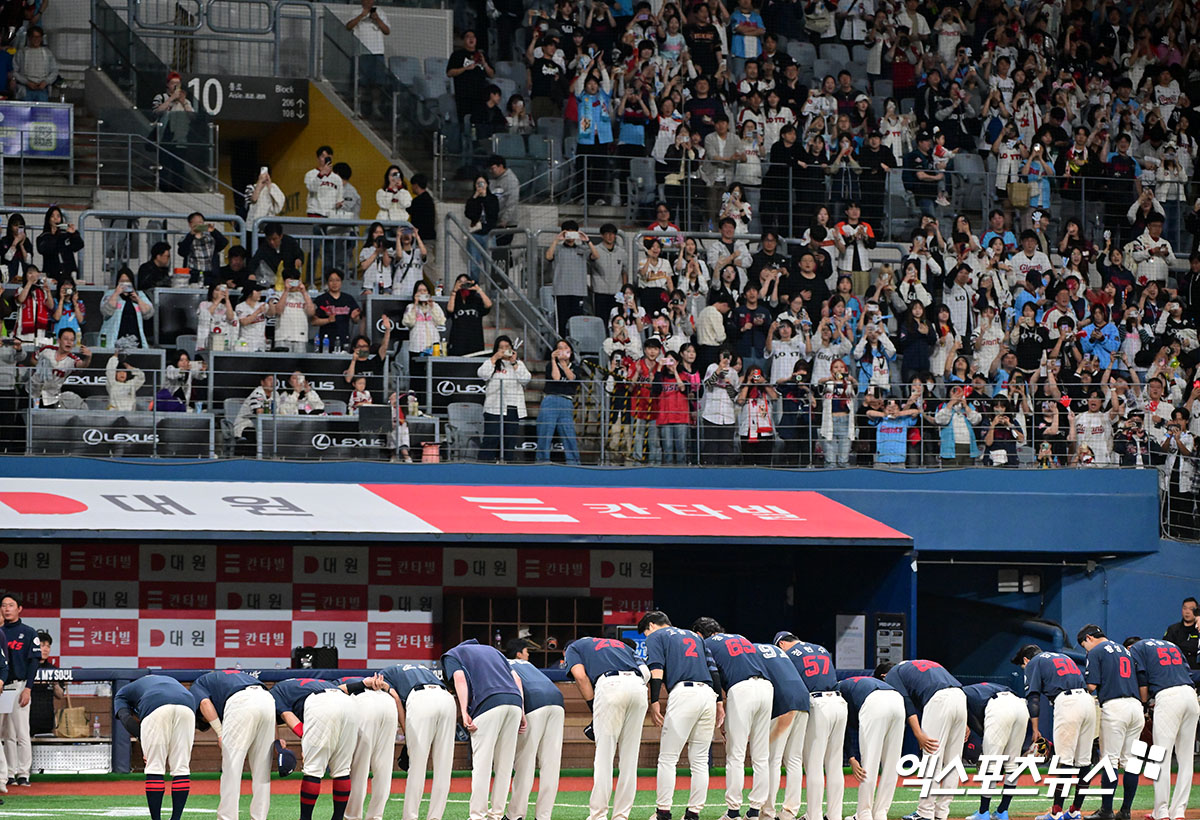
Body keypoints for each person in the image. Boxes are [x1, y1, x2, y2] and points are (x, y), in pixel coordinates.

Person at [638, 610, 720, 820]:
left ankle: (663, 812)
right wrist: (719, 701)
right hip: (708, 694)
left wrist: (654, 700)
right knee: (700, 760)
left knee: (667, 758)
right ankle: (693, 813)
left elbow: (656, 669)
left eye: (646, 633)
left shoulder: (657, 636)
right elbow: (714, 671)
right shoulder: (694, 636)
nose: (647, 637)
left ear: (652, 625)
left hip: (684, 693)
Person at [691, 617, 772, 820]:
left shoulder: (705, 643)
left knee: (736, 754)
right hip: (766, 687)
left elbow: (712, 675)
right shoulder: (742, 638)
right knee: (761, 755)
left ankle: (733, 811)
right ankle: (755, 811)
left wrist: (720, 705)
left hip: (742, 689)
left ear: (699, 633)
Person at [563, 636, 649, 820]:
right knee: (629, 758)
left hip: (610, 685)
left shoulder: (573, 647)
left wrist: (594, 710)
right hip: (638, 686)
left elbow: (580, 676)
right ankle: (621, 816)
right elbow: (645, 671)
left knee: (604, 756)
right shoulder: (620, 644)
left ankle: (598, 815)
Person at [270, 676, 378, 820]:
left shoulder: (274, 693)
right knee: (342, 769)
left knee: (313, 770)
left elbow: (289, 717)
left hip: (320, 704)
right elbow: (344, 689)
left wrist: (309, 741)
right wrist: (363, 684)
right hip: (349, 704)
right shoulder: (312, 683)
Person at [441, 639, 526, 820]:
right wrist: (522, 712)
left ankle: (477, 816)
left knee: (482, 765)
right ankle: (496, 815)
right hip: (514, 702)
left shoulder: (453, 654)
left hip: (487, 703)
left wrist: (463, 711)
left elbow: (459, 678)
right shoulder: (493, 651)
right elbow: (516, 679)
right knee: (504, 765)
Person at [1011, 644, 1094, 820]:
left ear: (1026, 659)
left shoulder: (1034, 662)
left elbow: (1033, 698)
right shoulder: (1063, 657)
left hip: (1068, 704)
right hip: (1088, 702)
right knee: (1084, 762)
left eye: (1023, 665)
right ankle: (1075, 811)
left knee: (1065, 762)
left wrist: (1034, 729)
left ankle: (1056, 813)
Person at [877, 659, 966, 820]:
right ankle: (942, 812)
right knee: (953, 760)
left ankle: (925, 812)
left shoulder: (892, 675)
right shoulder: (916, 665)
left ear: (884, 676)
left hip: (939, 700)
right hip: (960, 697)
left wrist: (918, 734)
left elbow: (907, 703)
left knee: (932, 758)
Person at [1123, 636, 1196, 820]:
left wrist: (1145, 705)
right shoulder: (1172, 645)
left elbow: (1142, 682)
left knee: (1160, 757)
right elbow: (1188, 673)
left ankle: (1161, 811)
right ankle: (1179, 811)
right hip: (1190, 696)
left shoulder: (1137, 649)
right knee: (1186, 759)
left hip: (1168, 696)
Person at [775, 633, 846, 820]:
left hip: (817, 704)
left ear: (782, 643)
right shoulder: (821, 649)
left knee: (813, 765)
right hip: (838, 702)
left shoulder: (788, 654)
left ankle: (813, 815)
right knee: (834, 764)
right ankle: (834, 815)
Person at [1077, 625, 1144, 820]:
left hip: (1115, 707)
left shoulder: (1096, 651)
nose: (1085, 650)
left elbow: (1091, 685)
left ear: (1089, 638)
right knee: (1130, 761)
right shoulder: (1125, 650)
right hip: (1135, 707)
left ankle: (1106, 810)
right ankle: (1126, 811)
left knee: (1109, 761)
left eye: (1084, 645)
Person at [190, 669, 277, 820]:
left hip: (240, 702)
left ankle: (227, 818)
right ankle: (260, 817)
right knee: (262, 769)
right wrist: (276, 738)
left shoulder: (199, 682)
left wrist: (219, 732)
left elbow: (204, 703)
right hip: (267, 699)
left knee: (232, 767)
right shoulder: (235, 676)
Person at [113, 675, 196, 820]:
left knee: (155, 766)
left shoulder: (122, 693)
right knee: (181, 767)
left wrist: (145, 740)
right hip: (188, 703)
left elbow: (126, 719)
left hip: (155, 704)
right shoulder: (168, 680)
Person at [380, 662, 455, 820]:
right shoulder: (422, 668)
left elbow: (395, 698)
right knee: (444, 766)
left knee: (417, 766)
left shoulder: (385, 673)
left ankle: (410, 817)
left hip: (421, 698)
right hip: (447, 698)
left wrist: (407, 731)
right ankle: (435, 817)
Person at [505, 639, 564, 820]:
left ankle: (515, 815)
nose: (528, 654)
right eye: (526, 650)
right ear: (518, 653)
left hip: (534, 704)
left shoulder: (502, 663)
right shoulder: (530, 666)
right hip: (557, 701)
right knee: (551, 764)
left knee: (525, 762)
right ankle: (544, 816)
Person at [836, 672, 905, 820]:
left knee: (870, 763)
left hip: (874, 702)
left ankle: (864, 814)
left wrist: (852, 758)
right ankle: (881, 813)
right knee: (892, 763)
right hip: (898, 700)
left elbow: (844, 728)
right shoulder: (855, 683)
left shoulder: (837, 691)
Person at [961, 682, 1030, 820]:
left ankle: (983, 812)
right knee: (1011, 764)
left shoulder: (959, 695)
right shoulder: (975, 689)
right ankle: (1002, 811)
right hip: (1021, 705)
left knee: (990, 764)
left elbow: (978, 726)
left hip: (999, 707)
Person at [339, 671, 397, 820]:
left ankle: (352, 816)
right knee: (383, 767)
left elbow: (338, 691)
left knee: (359, 768)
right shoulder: (379, 680)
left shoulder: (337, 682)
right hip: (388, 703)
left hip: (364, 704)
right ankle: (376, 816)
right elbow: (394, 695)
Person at [0, 595, 37, 788]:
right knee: (6, 734)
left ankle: (24, 773)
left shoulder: (29, 632)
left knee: (22, 732)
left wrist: (28, 688)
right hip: (1, 687)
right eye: (4, 606)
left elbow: (34, 662)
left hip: (20, 685)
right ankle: (10, 773)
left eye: (11, 605)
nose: (7, 609)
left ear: (19, 608)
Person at [477, 335, 530, 462]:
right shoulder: (491, 362)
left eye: (507, 347)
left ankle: (507, 465)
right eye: (501, 348)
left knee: (510, 440)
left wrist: (514, 362)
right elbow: (482, 374)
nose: (504, 350)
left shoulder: (518, 364)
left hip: (513, 407)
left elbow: (526, 379)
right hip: (493, 407)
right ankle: (484, 465)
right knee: (491, 438)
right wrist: (495, 358)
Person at [546, 221, 598, 336]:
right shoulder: (558, 248)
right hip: (561, 291)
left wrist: (587, 240)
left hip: (578, 291)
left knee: (577, 321)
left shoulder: (582, 249)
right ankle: (561, 344)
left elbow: (595, 255)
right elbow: (548, 256)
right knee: (562, 321)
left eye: (573, 232)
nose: (570, 236)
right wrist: (556, 240)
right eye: (567, 232)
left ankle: (575, 346)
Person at [538, 339, 580, 465]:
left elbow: (572, 378)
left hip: (566, 401)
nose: (562, 350)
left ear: (570, 351)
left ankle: (574, 463)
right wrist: (553, 360)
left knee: (569, 434)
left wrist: (564, 363)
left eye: (565, 347)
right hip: (550, 400)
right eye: (559, 348)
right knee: (545, 432)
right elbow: (556, 378)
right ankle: (542, 461)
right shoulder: (551, 365)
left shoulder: (576, 367)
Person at [29, 328, 90, 408]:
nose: (69, 342)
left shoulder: (72, 360)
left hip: (50, 398)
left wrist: (88, 357)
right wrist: (41, 367)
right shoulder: (47, 350)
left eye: (71, 340)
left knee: (46, 420)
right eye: (66, 339)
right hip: (31, 392)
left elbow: (83, 365)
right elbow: (33, 360)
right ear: (59, 340)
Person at [446, 30, 494, 125]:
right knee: (464, 122)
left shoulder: (482, 55)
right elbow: (449, 72)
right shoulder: (457, 55)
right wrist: (465, 68)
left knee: (479, 122)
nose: (471, 39)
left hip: (480, 95)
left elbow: (492, 74)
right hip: (464, 95)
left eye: (473, 37)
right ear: (464, 40)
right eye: (468, 37)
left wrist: (484, 64)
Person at [100, 268, 155, 349]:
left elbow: (148, 313)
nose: (125, 283)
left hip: (135, 339)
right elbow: (106, 311)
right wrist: (116, 293)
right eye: (122, 281)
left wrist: (138, 299)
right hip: (114, 340)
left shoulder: (140, 294)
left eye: (127, 280)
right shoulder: (110, 294)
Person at [312, 270, 362, 348]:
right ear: (327, 283)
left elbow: (356, 321)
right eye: (331, 280)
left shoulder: (348, 299)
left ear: (341, 282)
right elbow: (313, 321)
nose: (334, 283)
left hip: (344, 340)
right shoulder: (321, 299)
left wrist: (354, 317)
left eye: (337, 280)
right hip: (326, 341)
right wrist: (327, 320)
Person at [446, 274, 492, 356]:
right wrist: (454, 291)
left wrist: (478, 289)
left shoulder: (476, 300)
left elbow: (488, 305)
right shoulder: (455, 300)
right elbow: (450, 310)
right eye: (460, 282)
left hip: (475, 341)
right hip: (458, 341)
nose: (463, 284)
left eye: (465, 282)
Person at [177, 212, 228, 286]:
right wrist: (191, 235)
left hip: (211, 274)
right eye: (196, 223)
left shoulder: (211, 238)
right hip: (193, 273)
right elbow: (182, 252)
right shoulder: (186, 238)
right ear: (190, 224)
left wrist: (213, 231)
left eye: (201, 222)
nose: (199, 225)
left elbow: (224, 242)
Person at [36, 206, 83, 285]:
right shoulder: (43, 237)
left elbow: (78, 246)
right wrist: (55, 235)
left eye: (58, 216)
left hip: (69, 272)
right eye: (52, 216)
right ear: (48, 219)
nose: (55, 219)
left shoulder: (66, 235)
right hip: (52, 273)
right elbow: (43, 249)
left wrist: (74, 234)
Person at [252, 222, 305, 290]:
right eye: (269, 239)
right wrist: (251, 274)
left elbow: (299, 254)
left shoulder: (290, 242)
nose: (271, 242)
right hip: (272, 284)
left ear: (281, 236)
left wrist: (299, 259)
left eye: (274, 239)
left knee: (297, 287)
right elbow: (255, 261)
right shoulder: (264, 246)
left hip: (290, 281)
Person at [464, 174, 499, 278]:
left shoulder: (492, 198)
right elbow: (468, 213)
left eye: (482, 183)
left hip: (489, 233)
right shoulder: (473, 199)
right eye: (478, 183)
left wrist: (485, 196)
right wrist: (475, 197)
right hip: (475, 233)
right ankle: (474, 290)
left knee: (490, 265)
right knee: (473, 265)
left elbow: (493, 213)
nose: (480, 185)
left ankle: (492, 292)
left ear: (487, 184)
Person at [271, 273, 315, 353]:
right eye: (289, 281)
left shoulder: (304, 296)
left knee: (299, 365)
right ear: (284, 281)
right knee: (281, 364)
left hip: (300, 337)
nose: (292, 284)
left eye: (294, 281)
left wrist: (304, 292)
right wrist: (286, 290)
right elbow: (278, 310)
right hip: (282, 337)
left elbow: (311, 312)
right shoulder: (278, 295)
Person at [232, 374, 276, 454]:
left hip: (262, 427)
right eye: (270, 380)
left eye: (274, 380)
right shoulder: (257, 393)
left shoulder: (275, 395)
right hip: (245, 426)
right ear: (262, 382)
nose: (272, 382)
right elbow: (260, 413)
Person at [402, 281, 445, 359]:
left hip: (433, 348)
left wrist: (432, 306)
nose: (422, 293)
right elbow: (408, 323)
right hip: (416, 347)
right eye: (419, 291)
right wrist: (415, 304)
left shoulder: (435, 306)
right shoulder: (411, 307)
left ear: (428, 293)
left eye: (424, 291)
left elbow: (441, 321)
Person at [12, 26, 56, 101]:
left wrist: (45, 82)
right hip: (25, 89)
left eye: (38, 37)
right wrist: (27, 82)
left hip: (42, 89)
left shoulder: (48, 53)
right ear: (29, 38)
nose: (36, 39)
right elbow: (14, 71)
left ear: (41, 38)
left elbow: (54, 71)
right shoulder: (21, 53)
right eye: (34, 37)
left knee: (41, 112)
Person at [304, 145, 343, 220]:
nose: (326, 159)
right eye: (323, 156)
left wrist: (339, 204)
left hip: (331, 215)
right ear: (318, 158)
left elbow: (339, 197)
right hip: (315, 213)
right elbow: (312, 189)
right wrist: (321, 174)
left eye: (329, 156)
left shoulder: (337, 178)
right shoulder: (310, 174)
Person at [1162, 597, 1199, 668]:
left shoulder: (1198, 629)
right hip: (1177, 669)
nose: (1187, 612)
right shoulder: (1173, 629)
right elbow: (1165, 649)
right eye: (1185, 608)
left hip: (1196, 669)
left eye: (1191, 609)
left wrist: (1180, 647)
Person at [234, 283, 269, 352]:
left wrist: (271, 300)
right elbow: (244, 322)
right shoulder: (240, 306)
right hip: (245, 342)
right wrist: (258, 311)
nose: (260, 293)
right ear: (250, 293)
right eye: (257, 291)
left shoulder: (262, 305)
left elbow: (272, 313)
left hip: (260, 342)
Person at [0, 214, 32, 283]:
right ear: (10, 226)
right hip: (8, 277)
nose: (17, 228)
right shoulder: (5, 240)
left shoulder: (26, 242)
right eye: (15, 225)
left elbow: (28, 261)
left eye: (20, 226)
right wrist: (15, 242)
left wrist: (21, 245)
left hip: (23, 278)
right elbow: (7, 258)